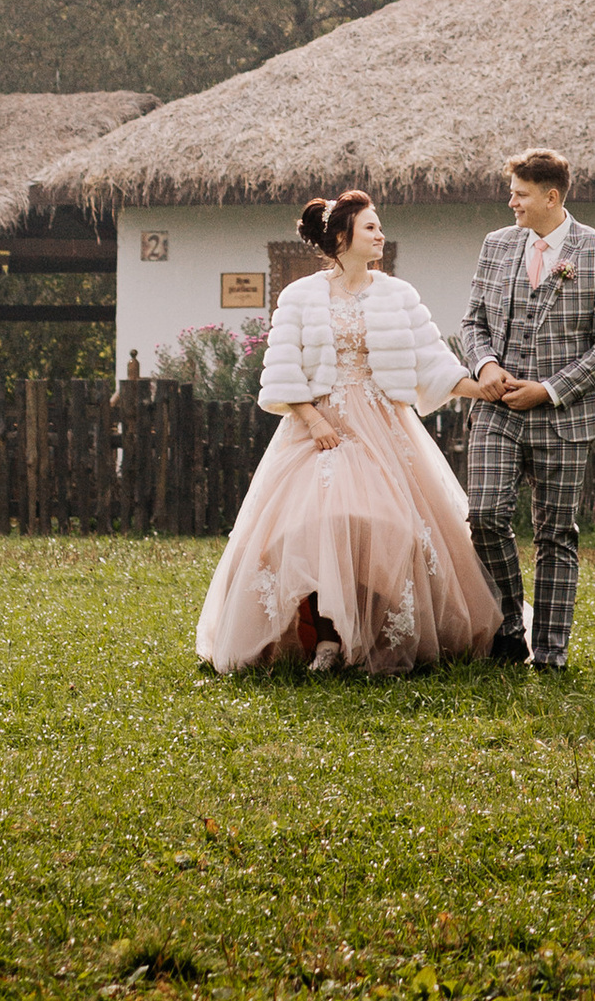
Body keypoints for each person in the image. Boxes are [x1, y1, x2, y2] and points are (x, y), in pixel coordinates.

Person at [195, 190, 508, 677]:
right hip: (318, 429)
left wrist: (480, 387)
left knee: (391, 527)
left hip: (384, 427)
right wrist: (314, 420)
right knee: (313, 524)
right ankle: (325, 639)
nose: (381, 235)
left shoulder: (398, 295)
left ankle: (376, 632)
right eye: (371, 227)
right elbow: (282, 372)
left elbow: (432, 361)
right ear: (343, 237)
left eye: (380, 227)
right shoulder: (299, 296)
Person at [458, 149, 595, 675]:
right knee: (485, 515)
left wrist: (549, 390)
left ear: (551, 197)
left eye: (520, 194)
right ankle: (511, 625)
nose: (511, 203)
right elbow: (472, 322)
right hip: (498, 409)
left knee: (555, 533)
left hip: (564, 416)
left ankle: (551, 653)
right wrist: (485, 365)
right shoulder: (496, 245)